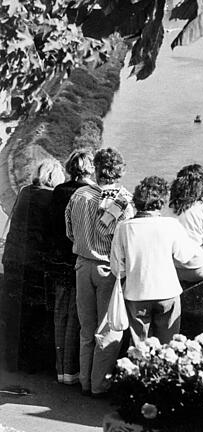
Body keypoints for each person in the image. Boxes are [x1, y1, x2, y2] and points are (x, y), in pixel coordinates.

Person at [66, 148, 135, 397]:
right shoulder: (125, 200)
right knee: (107, 330)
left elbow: (69, 232)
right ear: (120, 170)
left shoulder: (79, 195)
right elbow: (128, 239)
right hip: (109, 269)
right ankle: (99, 385)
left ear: (96, 168)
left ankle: (84, 382)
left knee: (86, 328)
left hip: (82, 265)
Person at [111, 176, 198, 345]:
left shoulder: (123, 228)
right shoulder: (171, 225)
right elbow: (185, 257)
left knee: (138, 348)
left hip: (136, 294)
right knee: (168, 346)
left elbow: (117, 269)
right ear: (162, 202)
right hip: (167, 292)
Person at [0, 159, 65, 373]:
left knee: (13, 312)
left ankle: (11, 359)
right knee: (35, 313)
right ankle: (31, 363)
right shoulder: (51, 197)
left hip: (12, 258)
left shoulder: (25, 192)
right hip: (34, 263)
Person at [48, 150, 95, 384]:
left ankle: (60, 370)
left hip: (57, 259)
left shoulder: (58, 191)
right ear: (89, 169)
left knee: (60, 314)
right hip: (77, 259)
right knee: (77, 316)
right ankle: (71, 372)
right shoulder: (87, 194)